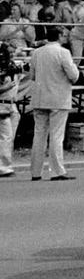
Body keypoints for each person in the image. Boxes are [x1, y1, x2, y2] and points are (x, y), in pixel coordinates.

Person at [28, 26, 79, 181]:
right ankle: (57, 170)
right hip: (58, 97)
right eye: (64, 35)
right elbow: (73, 75)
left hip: (40, 96)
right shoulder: (63, 52)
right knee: (56, 135)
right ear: (59, 36)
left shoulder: (37, 52)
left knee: (39, 134)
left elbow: (32, 75)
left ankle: (35, 171)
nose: (65, 38)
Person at [0, 41, 20, 177]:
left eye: (13, 52)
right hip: (2, 103)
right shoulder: (2, 69)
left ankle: (5, 163)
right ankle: (3, 166)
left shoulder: (12, 66)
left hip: (12, 103)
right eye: (10, 53)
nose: (12, 55)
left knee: (9, 137)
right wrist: (5, 88)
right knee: (5, 136)